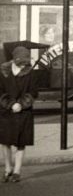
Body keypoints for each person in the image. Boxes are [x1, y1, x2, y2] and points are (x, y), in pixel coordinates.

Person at [0, 46, 39, 183]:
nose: (24, 64)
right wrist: (11, 104)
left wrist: (22, 104)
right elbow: (0, 92)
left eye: (26, 61)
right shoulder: (3, 71)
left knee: (21, 142)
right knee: (5, 141)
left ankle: (17, 171)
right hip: (6, 111)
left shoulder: (31, 73)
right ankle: (8, 168)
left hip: (24, 111)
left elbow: (33, 92)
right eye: (22, 61)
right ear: (15, 59)